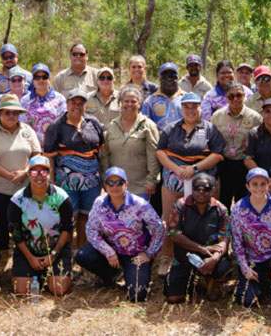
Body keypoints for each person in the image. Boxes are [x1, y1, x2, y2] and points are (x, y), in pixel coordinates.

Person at [156, 92, 224, 276]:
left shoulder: (210, 129)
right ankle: (167, 257)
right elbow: (161, 152)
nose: (191, 110)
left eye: (195, 106)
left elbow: (217, 154)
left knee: (204, 222)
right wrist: (177, 170)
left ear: (201, 108)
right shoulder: (171, 128)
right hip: (173, 182)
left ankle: (208, 257)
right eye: (186, 106)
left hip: (202, 184)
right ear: (181, 108)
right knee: (170, 221)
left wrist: (194, 168)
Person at [76, 167, 165, 302]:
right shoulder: (99, 203)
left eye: (119, 182)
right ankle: (112, 273)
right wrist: (107, 251)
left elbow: (158, 228)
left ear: (126, 184)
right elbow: (91, 230)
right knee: (83, 256)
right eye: (110, 183)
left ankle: (133, 272)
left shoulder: (139, 204)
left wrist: (149, 254)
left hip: (136, 255)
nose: (115, 186)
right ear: (105, 186)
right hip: (113, 252)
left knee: (137, 295)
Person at [43, 89, 105, 250]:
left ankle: (81, 250)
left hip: (92, 182)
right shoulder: (56, 126)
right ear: (67, 103)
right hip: (66, 183)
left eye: (81, 103)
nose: (77, 106)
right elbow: (50, 157)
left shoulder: (93, 123)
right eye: (73, 102)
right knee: (68, 217)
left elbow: (101, 150)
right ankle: (67, 252)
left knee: (86, 215)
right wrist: (52, 182)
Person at [0, 94, 41, 255]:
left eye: (15, 112)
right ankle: (1, 265)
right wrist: (10, 176)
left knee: (26, 228)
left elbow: (37, 153)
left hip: (25, 190)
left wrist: (26, 172)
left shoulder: (27, 130)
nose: (11, 116)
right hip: (1, 190)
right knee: (1, 229)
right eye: (7, 112)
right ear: (0, 113)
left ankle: (26, 260)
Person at [8, 156, 74, 296]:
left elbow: (67, 228)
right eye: (34, 172)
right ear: (29, 174)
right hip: (28, 250)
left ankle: (50, 273)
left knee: (59, 290)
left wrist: (54, 255)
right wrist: (30, 257)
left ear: (49, 174)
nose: (39, 176)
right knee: (21, 291)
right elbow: (15, 231)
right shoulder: (17, 199)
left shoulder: (61, 197)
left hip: (56, 249)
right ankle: (38, 271)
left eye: (43, 172)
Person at [231, 167, 271, 306]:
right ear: (247, 186)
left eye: (263, 184)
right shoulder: (238, 209)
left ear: (268, 186)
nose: (259, 188)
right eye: (254, 184)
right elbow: (237, 243)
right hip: (252, 258)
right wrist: (245, 269)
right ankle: (259, 282)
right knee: (247, 301)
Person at [164, 173, 233, 304]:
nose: (201, 192)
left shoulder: (221, 210)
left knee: (225, 270)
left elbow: (224, 240)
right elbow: (173, 234)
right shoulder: (180, 206)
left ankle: (212, 281)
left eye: (206, 189)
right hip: (185, 257)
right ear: (192, 190)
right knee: (173, 298)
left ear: (213, 190)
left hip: (210, 257)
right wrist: (201, 248)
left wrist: (214, 259)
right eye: (197, 189)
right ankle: (193, 280)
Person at [100, 87, 161, 201]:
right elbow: (105, 155)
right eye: (126, 101)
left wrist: (152, 181)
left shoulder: (148, 125)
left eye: (133, 101)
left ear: (140, 104)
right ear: (121, 103)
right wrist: (105, 178)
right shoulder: (112, 125)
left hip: (140, 187)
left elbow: (153, 155)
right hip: (115, 187)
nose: (129, 104)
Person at [211, 82, 262, 208]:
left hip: (244, 165)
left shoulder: (255, 118)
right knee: (223, 201)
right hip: (224, 164)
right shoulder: (217, 116)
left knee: (244, 202)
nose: (235, 99)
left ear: (244, 95)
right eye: (231, 96)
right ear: (225, 98)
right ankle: (225, 227)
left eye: (238, 95)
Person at [21, 63, 67, 144]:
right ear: (33, 81)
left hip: (55, 146)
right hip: (32, 146)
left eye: (44, 77)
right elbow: (23, 126)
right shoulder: (25, 101)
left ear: (49, 79)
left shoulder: (60, 99)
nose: (41, 80)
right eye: (37, 77)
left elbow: (64, 124)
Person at [142, 62, 184, 130]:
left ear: (178, 78)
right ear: (160, 79)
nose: (169, 79)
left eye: (172, 76)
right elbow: (143, 126)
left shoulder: (187, 99)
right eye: (165, 76)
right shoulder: (149, 102)